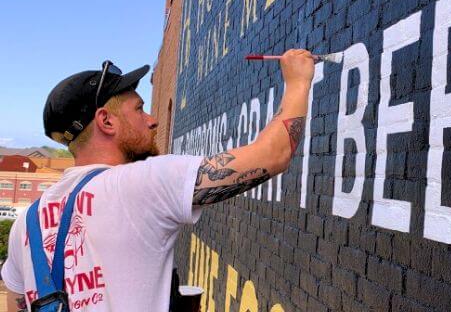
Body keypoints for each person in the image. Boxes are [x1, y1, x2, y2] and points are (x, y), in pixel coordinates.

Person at [2, 49, 315, 311]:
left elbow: (17, 299)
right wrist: (298, 82)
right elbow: (272, 155)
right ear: (106, 121)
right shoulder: (138, 184)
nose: (152, 121)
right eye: (139, 109)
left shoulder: (26, 223)